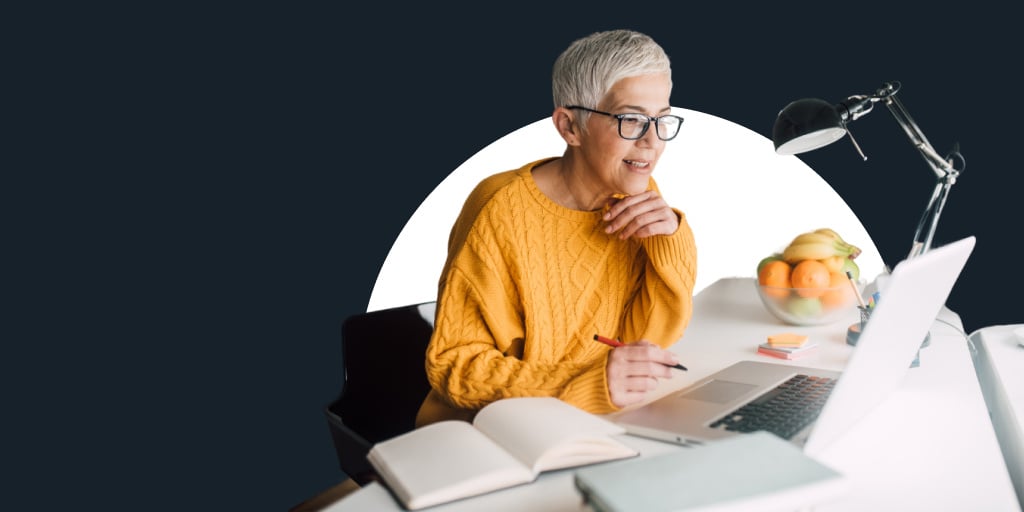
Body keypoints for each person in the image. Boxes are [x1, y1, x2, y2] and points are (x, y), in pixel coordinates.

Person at [416, 29, 697, 427]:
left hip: (578, 421)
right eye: (631, 120)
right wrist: (582, 383)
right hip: (481, 429)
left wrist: (670, 241)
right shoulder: (499, 208)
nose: (652, 141)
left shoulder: (633, 196)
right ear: (569, 127)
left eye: (662, 120)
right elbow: (455, 368)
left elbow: (647, 341)